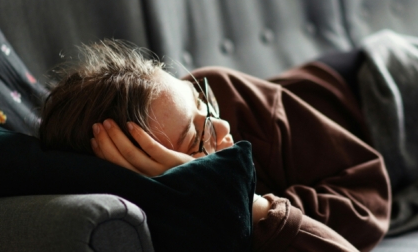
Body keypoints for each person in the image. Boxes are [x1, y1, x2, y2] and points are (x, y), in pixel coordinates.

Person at [39, 39, 391, 252]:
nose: (221, 125)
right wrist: (234, 200)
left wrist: (255, 207)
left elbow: (368, 195)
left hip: (375, 85)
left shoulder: (225, 93)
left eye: (200, 102)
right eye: (196, 139)